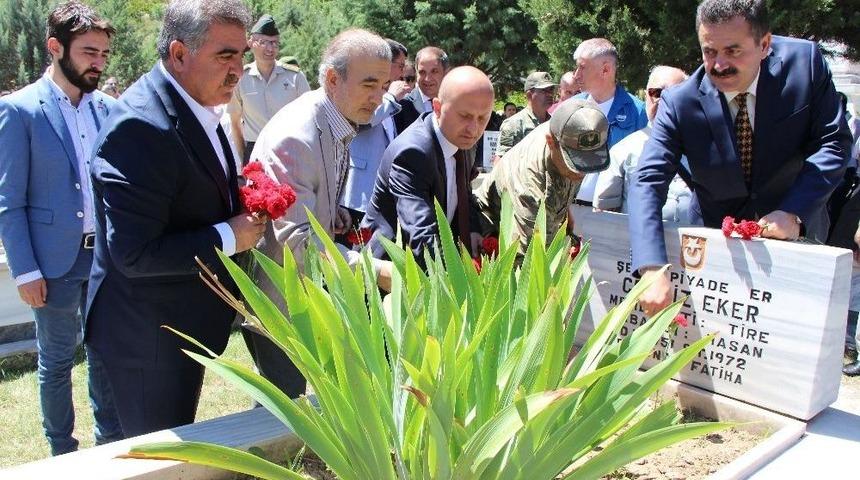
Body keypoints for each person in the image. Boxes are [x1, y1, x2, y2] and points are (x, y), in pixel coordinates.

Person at [85, 0, 266, 437]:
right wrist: (229, 235)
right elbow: (135, 252)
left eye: (241, 54)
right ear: (179, 54)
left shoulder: (195, 103)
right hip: (146, 340)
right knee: (153, 458)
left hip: (176, 329)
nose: (238, 69)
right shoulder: (142, 125)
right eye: (225, 55)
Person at [629, 0, 852, 316]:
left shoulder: (806, 65)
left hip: (797, 235)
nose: (719, 65)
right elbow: (647, 180)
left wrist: (794, 212)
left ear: (764, 44)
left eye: (733, 51)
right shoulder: (680, 102)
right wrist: (651, 268)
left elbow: (834, 142)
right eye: (709, 51)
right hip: (718, 246)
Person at [0, 1, 121, 456]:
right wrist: (25, 271)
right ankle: (62, 454)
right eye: (89, 52)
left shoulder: (107, 108)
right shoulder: (20, 110)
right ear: (55, 47)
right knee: (55, 362)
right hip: (51, 262)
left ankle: (109, 443)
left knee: (105, 355)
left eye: (104, 55)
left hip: (104, 258)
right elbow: (9, 202)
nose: (98, 62)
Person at [247, 28, 394, 396]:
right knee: (286, 411)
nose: (379, 98)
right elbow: (297, 241)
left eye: (385, 86)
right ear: (332, 78)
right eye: (369, 85)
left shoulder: (336, 117)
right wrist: (376, 270)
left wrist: (333, 214)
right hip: (279, 301)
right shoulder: (296, 137)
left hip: (305, 292)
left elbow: (308, 207)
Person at [362, 66, 495, 264]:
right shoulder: (413, 153)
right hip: (391, 273)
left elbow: (463, 191)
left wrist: (473, 228)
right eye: (465, 116)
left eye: (483, 118)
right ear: (438, 108)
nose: (474, 129)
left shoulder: (460, 139)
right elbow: (422, 237)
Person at [476, 99, 610, 255]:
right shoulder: (529, 180)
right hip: (494, 233)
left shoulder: (568, 132)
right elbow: (528, 259)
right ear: (551, 141)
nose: (581, 173)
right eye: (574, 162)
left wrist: (566, 215)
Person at [593, 66, 695, 223]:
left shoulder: (705, 148)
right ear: (647, 95)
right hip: (639, 244)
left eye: (674, 94)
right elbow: (604, 214)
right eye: (657, 93)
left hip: (694, 245)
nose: (663, 101)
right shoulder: (623, 150)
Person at [571, 38, 648, 206]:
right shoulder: (571, 107)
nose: (576, 75)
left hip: (614, 208)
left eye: (582, 67)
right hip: (572, 206)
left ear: (605, 69)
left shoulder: (637, 111)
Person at [341, 39, 408, 229]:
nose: (402, 73)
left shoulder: (392, 98)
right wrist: (391, 97)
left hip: (381, 189)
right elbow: (364, 120)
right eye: (400, 66)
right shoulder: (377, 95)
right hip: (358, 190)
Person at [228, 14, 310, 163]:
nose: (270, 48)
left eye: (274, 43)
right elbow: (235, 122)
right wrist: (244, 158)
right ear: (251, 42)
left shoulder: (294, 77)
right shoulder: (241, 78)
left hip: (288, 150)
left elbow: (311, 119)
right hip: (255, 153)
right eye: (264, 42)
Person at [494, 71, 556, 160]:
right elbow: (501, 161)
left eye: (551, 90)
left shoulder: (554, 123)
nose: (550, 94)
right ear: (529, 95)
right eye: (544, 91)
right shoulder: (513, 124)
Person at [393, 46, 448, 134]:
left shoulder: (455, 103)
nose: (427, 79)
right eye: (422, 72)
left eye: (434, 71)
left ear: (445, 73)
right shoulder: (402, 106)